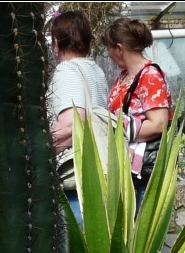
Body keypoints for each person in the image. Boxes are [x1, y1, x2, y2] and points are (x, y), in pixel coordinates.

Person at [102, 18, 172, 205]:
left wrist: (119, 131)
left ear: (119, 48)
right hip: (126, 165)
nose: (109, 56)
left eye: (109, 49)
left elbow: (159, 124)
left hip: (145, 171)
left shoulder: (150, 76)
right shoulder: (124, 76)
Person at [48, 10, 108, 224]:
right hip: (98, 176)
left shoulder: (66, 70)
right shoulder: (96, 70)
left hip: (75, 181)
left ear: (57, 42)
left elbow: (72, 124)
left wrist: (38, 151)